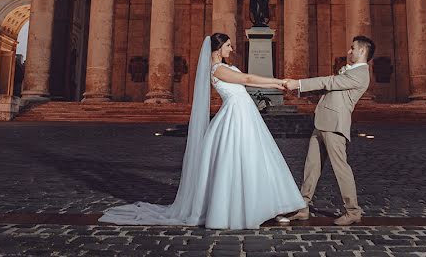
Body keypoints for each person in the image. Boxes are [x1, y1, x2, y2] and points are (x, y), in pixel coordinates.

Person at [99, 33, 306, 229]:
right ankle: (239, 210)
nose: (232, 49)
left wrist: (276, 83)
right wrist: (278, 82)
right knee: (240, 161)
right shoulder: (217, 69)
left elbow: (246, 79)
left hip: (245, 115)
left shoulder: (226, 67)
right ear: (217, 48)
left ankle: (269, 206)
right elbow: (248, 80)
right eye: (228, 45)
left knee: (257, 159)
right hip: (236, 117)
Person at [283, 35, 374, 226]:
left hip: (335, 125)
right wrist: (300, 90)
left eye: (352, 48)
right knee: (311, 166)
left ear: (363, 51)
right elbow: (329, 90)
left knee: (341, 168)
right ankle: (303, 206)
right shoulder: (349, 72)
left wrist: (298, 83)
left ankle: (353, 211)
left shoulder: (360, 74)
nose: (349, 51)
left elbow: (329, 83)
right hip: (322, 121)